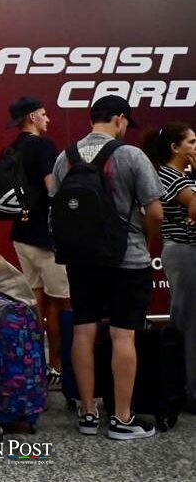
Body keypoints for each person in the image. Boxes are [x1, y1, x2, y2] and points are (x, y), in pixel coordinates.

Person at [51, 94, 163, 440]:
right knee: (122, 333)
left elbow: (58, 209)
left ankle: (87, 413)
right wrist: (146, 243)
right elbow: (155, 212)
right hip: (126, 259)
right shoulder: (131, 155)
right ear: (119, 120)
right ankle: (122, 419)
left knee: (83, 329)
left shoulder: (64, 158)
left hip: (81, 260)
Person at [5, 96, 70, 390]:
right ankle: (56, 365)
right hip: (47, 237)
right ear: (31, 117)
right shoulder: (43, 147)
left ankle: (33, 365)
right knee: (60, 302)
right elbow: (52, 188)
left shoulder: (10, 149)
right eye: (44, 114)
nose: (48, 119)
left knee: (35, 303)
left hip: (21, 234)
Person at [142, 121, 196, 410]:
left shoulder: (182, 177)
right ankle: (189, 391)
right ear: (175, 148)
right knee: (189, 322)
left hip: (188, 250)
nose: (195, 148)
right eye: (192, 142)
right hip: (185, 252)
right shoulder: (170, 176)